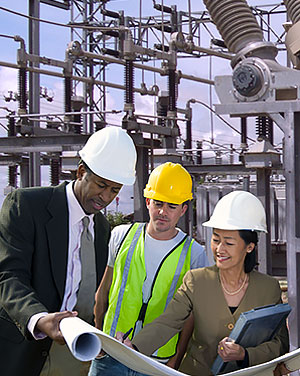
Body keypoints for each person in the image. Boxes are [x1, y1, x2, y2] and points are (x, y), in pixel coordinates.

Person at [0, 126, 137, 376]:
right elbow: (9, 276)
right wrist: (39, 318)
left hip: (74, 353)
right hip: (24, 348)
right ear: (81, 172)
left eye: (114, 190)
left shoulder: (102, 229)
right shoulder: (26, 206)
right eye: (101, 185)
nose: (105, 197)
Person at [127, 190, 289, 376]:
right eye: (216, 240)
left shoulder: (268, 288)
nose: (219, 249)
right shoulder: (196, 281)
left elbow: (280, 343)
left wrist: (245, 355)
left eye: (228, 243)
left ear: (249, 247)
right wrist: (134, 347)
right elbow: (168, 322)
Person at [88, 162, 210, 376]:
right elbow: (103, 292)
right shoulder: (121, 236)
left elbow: (191, 317)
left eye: (172, 206)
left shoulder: (195, 253)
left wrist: (176, 359)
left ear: (183, 209)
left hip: (157, 361)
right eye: (158, 203)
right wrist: (98, 339)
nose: (163, 212)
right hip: (111, 352)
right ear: (147, 202)